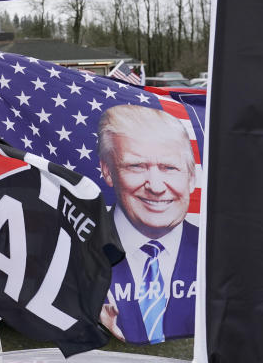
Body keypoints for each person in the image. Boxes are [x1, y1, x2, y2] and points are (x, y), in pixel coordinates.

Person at [96, 105, 198, 345]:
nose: (155, 185)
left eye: (169, 168)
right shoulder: (75, 250)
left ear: (192, 177)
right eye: (136, 166)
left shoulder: (217, 254)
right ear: (107, 171)